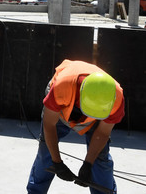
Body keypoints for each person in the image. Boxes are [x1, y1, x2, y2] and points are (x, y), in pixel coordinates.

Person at [27, 59, 124, 194]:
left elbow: (102, 134)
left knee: (100, 158)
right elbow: (49, 126)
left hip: (84, 107)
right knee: (46, 150)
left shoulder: (116, 99)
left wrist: (88, 164)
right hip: (62, 106)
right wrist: (57, 163)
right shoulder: (62, 87)